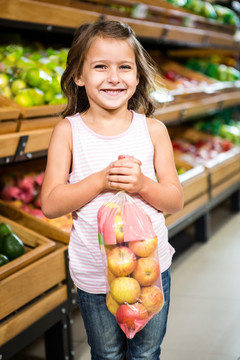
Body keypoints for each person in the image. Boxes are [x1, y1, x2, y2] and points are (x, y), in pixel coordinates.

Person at [41, 19, 184, 360]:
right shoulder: (68, 132)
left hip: (149, 270)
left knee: (147, 352)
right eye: (100, 67)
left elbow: (174, 200)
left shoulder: (152, 130)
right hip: (94, 274)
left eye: (124, 67)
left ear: (137, 76)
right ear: (78, 75)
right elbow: (50, 204)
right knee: (105, 353)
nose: (114, 77)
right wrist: (99, 180)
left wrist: (142, 184)